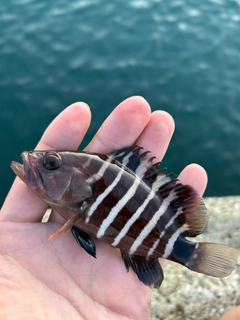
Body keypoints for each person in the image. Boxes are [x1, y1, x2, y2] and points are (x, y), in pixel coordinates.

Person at [0, 96, 237, 319]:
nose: (31, 159)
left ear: (79, 180)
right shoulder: (76, 200)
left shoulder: (77, 199)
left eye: (50, 164)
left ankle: (188, 253)